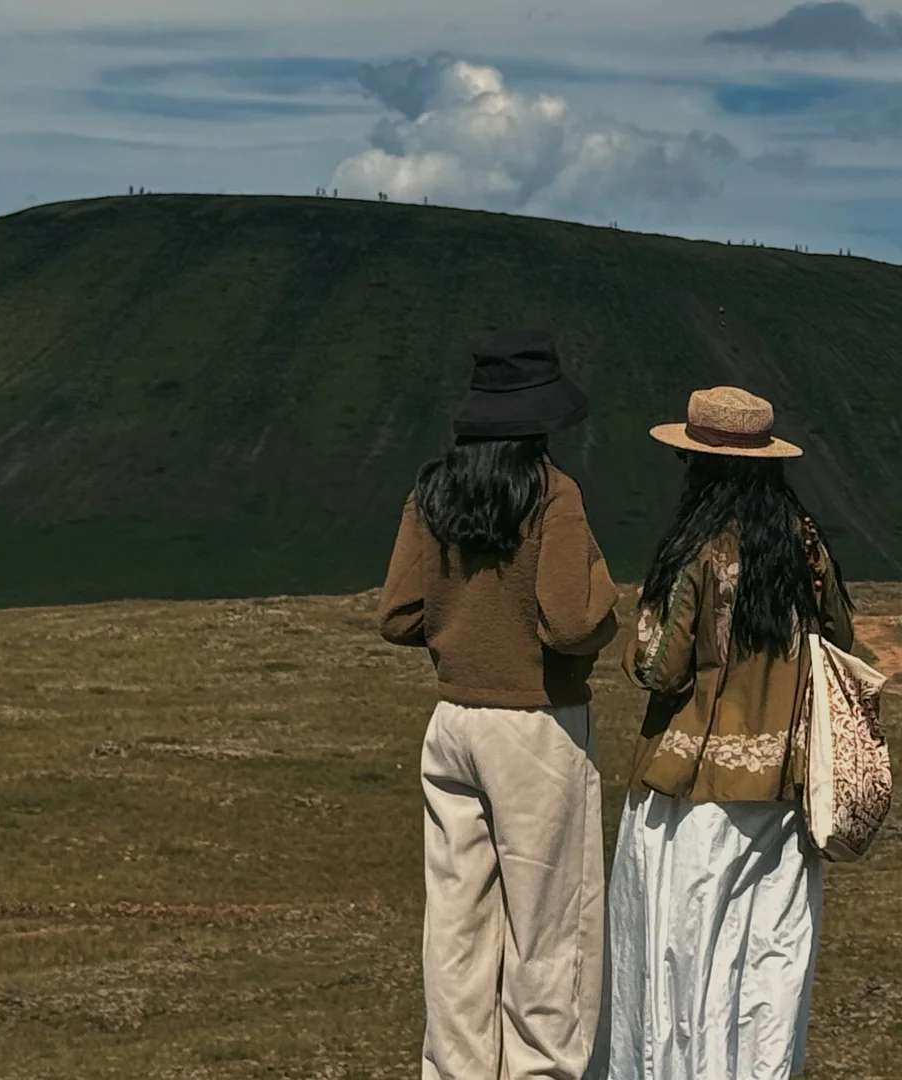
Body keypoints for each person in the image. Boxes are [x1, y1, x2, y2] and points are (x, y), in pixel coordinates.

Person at [378, 329, 620, 1080]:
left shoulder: (433, 491)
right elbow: (572, 621)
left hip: (451, 723)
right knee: (551, 932)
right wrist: (609, 595)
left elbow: (398, 614)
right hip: (536, 724)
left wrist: (462, 625)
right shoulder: (552, 492)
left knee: (456, 926)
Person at [605, 386, 855, 1080]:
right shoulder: (806, 545)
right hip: (786, 792)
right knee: (768, 968)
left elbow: (657, 668)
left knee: (678, 966)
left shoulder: (699, 549)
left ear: (700, 467)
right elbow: (841, 640)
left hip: (693, 792)